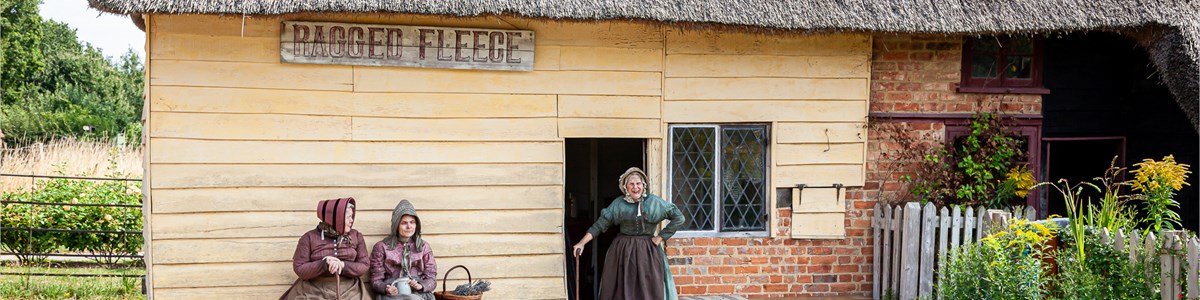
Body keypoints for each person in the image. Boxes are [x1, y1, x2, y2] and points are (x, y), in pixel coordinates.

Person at [572, 167, 686, 300]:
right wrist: (582, 243)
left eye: (638, 184)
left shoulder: (655, 202)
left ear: (643, 185)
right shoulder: (619, 204)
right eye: (631, 184)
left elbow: (679, 218)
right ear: (625, 187)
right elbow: (600, 225)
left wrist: (660, 237)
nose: (635, 187)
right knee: (621, 289)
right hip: (623, 251)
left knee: (650, 288)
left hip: (648, 251)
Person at [281, 197, 370, 299]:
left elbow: (364, 264)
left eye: (352, 216)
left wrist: (343, 265)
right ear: (336, 219)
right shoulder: (309, 237)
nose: (351, 220)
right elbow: (299, 268)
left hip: (350, 289)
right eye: (348, 217)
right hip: (313, 288)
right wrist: (324, 263)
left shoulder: (356, 236)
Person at [370, 199, 437, 300]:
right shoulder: (382, 247)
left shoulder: (423, 247)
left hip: (418, 293)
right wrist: (386, 288)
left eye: (412, 222)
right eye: (404, 223)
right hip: (393, 293)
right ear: (396, 225)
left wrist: (421, 285)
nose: (409, 226)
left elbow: (431, 277)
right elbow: (376, 279)